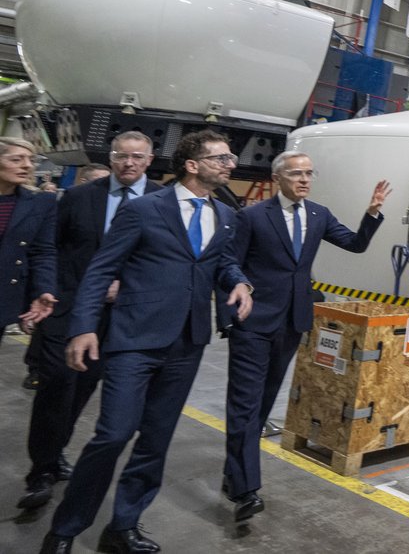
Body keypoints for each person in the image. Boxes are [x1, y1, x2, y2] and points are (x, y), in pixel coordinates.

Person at [40, 130, 253, 554]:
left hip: (187, 343)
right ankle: (65, 528)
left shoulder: (226, 214)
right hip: (135, 339)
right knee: (113, 434)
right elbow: (101, 270)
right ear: (192, 165)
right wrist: (83, 327)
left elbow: (222, 261)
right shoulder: (144, 209)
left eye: (230, 159)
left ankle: (123, 526)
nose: (230, 165)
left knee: (156, 440)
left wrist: (240, 281)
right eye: (221, 158)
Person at [222, 152, 390, 521]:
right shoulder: (251, 216)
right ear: (277, 177)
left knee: (264, 400)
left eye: (309, 174)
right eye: (296, 174)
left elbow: (355, 244)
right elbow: (229, 263)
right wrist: (238, 295)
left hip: (292, 322)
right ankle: (246, 490)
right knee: (245, 404)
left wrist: (373, 213)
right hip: (253, 322)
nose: (304, 180)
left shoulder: (318, 215)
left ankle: (234, 471)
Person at [19, 132, 158, 510]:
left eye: (136, 157)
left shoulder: (163, 202)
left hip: (121, 320)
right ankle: (41, 470)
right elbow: (49, 248)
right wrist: (44, 292)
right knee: (57, 386)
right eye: (121, 156)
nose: (128, 163)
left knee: (82, 389)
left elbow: (165, 261)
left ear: (149, 160)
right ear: (111, 159)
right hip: (68, 310)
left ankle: (56, 450)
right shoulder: (79, 198)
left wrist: (125, 286)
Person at [0, 137, 58, 341]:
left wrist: (43, 289)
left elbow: (43, 252)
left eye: (31, 160)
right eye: (16, 160)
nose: (27, 165)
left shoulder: (40, 203)